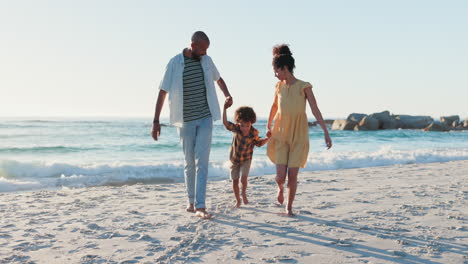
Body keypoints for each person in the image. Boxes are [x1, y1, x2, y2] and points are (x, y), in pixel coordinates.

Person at [151, 31, 233, 219]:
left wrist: (227, 95)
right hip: (185, 120)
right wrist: (155, 121)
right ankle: (191, 201)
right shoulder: (174, 63)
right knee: (189, 162)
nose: (205, 53)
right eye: (202, 49)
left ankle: (201, 205)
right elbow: (162, 92)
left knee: (202, 162)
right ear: (193, 45)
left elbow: (219, 79)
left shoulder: (207, 61)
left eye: (206, 50)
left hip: (205, 117)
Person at [266, 44, 332, 216]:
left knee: (293, 175)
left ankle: (289, 207)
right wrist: (268, 125)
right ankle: (280, 189)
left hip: (299, 136)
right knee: (280, 176)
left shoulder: (304, 86)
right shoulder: (278, 86)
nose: (275, 74)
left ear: (285, 68)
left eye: (276, 70)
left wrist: (325, 131)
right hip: (280, 134)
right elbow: (274, 106)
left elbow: (315, 110)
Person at [223, 103, 270, 208]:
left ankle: (243, 193)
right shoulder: (236, 129)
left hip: (246, 159)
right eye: (242, 125)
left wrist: (268, 138)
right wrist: (225, 109)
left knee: (243, 179)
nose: (245, 128)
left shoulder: (254, 133)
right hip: (234, 159)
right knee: (235, 182)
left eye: (247, 125)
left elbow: (259, 143)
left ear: (251, 123)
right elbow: (225, 123)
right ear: (238, 122)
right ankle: (237, 200)